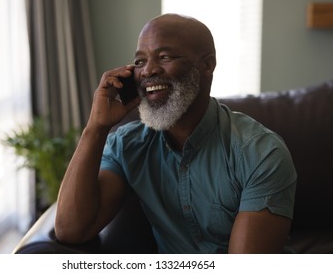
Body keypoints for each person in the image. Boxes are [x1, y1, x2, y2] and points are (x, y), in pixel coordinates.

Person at [55, 14, 297, 253]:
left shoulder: (260, 152)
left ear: (207, 65)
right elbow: (71, 230)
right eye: (139, 61)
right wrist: (96, 128)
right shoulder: (126, 146)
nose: (148, 70)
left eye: (164, 56)